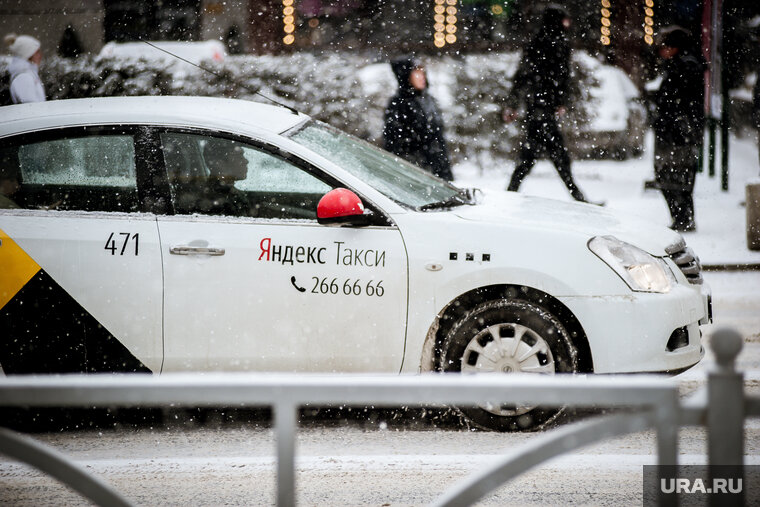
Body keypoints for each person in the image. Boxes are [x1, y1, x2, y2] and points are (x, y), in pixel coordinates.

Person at [502, 5, 592, 203]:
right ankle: (577, 196)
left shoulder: (538, 42)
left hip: (538, 106)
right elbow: (559, 78)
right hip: (543, 108)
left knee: (537, 154)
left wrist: (514, 103)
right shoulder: (555, 43)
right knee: (550, 154)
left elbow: (524, 76)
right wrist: (559, 101)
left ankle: (510, 192)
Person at [653, 26, 705, 232]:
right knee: (675, 176)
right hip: (678, 130)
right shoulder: (682, 65)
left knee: (674, 176)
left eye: (666, 46)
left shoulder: (684, 67)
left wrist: (676, 122)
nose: (662, 51)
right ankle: (682, 217)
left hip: (677, 132)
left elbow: (680, 101)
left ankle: (683, 218)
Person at [383, 55, 454, 181]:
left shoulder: (429, 100)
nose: (422, 77)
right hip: (415, 175)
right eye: (416, 74)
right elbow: (395, 144)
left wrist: (443, 168)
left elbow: (438, 138)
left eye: (423, 73)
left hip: (438, 171)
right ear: (406, 77)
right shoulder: (399, 104)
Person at [197, 139, 251, 216]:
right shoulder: (218, 203)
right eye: (239, 156)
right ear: (219, 164)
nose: (246, 161)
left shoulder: (227, 193)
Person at [4, 33, 45, 104]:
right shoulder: (23, 77)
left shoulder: (28, 74)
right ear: (28, 54)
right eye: (37, 52)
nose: (40, 55)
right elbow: (31, 109)